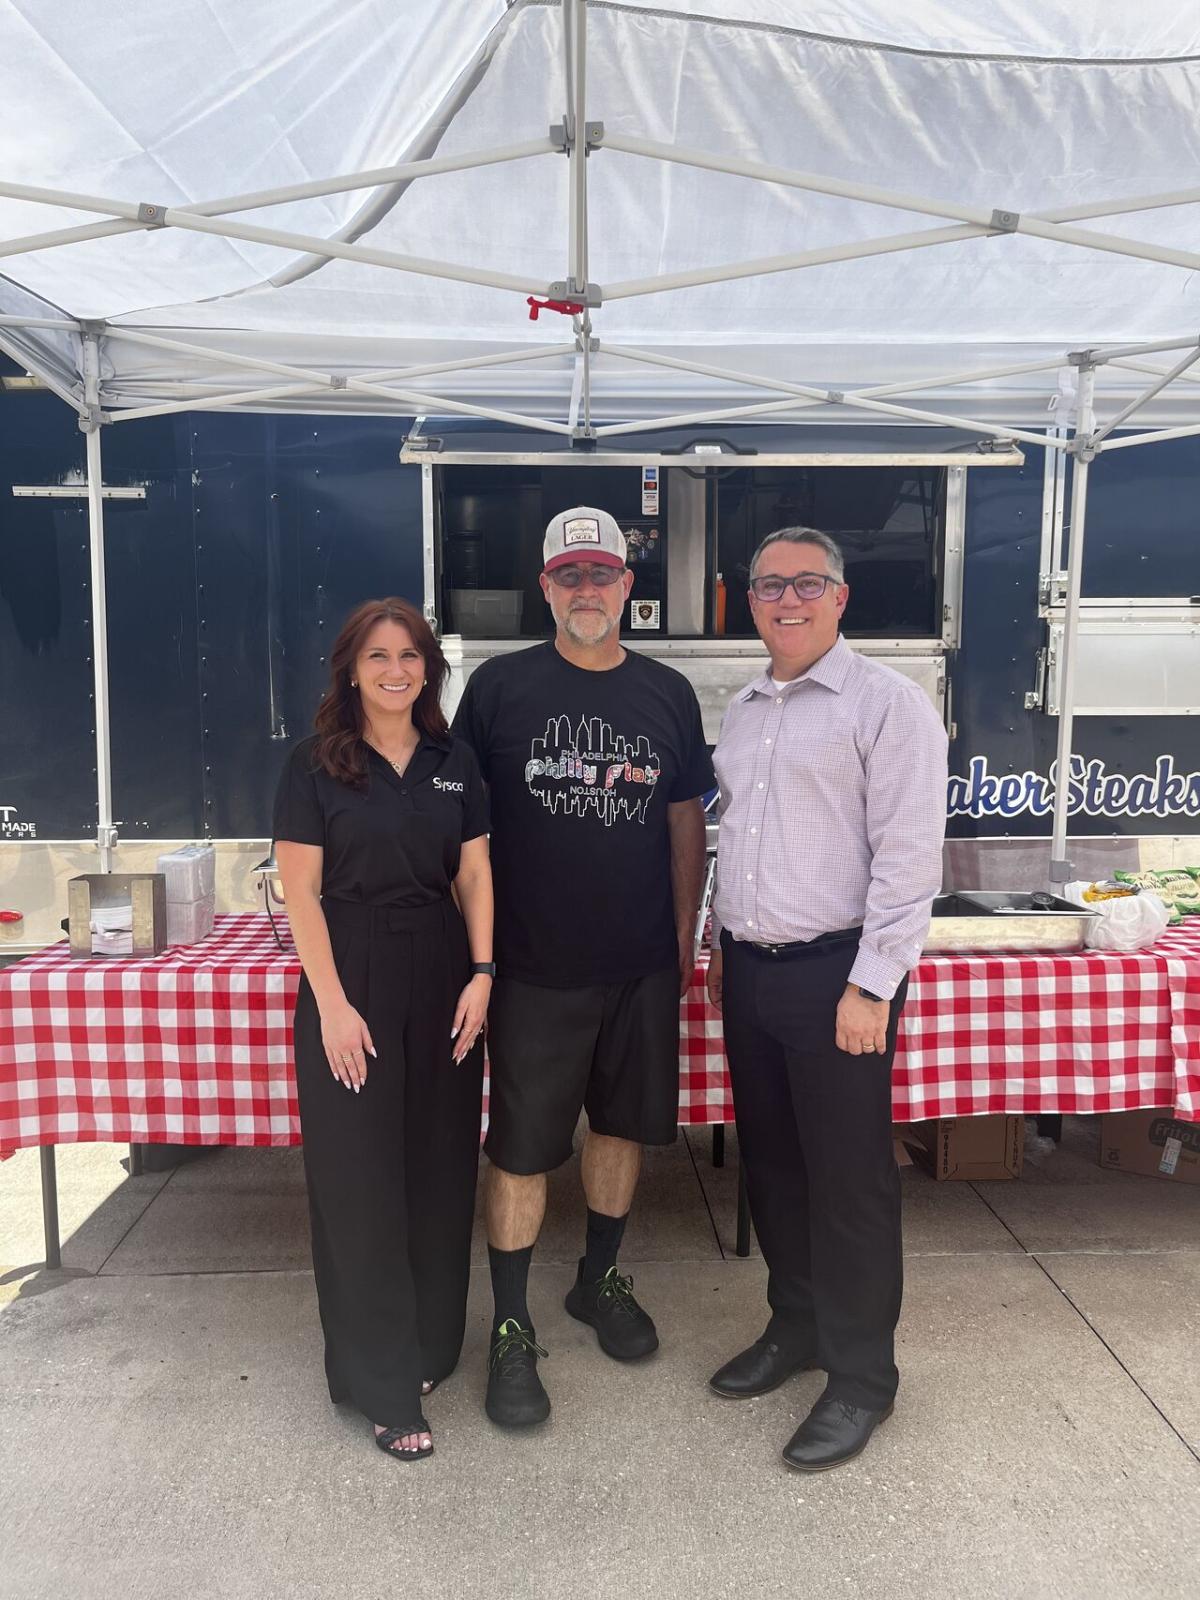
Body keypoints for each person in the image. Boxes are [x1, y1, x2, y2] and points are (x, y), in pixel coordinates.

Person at [452, 506, 713, 1429]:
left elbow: (687, 819)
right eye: (571, 577)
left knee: (625, 1128)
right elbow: (463, 831)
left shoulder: (668, 693)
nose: (588, 590)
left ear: (628, 588)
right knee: (521, 1149)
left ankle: (598, 1278)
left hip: (640, 962)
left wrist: (683, 932)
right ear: (546, 589)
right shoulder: (496, 689)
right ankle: (512, 1324)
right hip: (532, 968)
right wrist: (476, 955)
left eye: (604, 574)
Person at [706, 527, 947, 1473]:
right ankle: (795, 1325)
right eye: (770, 585)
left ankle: (861, 1379)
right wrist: (718, 943)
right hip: (750, 971)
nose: (788, 600)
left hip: (836, 976)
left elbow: (907, 856)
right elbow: (739, 840)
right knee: (773, 1169)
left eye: (808, 584)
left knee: (849, 1183)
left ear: (841, 597)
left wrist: (871, 984)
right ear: (751, 601)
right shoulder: (747, 707)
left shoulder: (888, 705)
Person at [273, 597, 494, 1462]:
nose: (396, 670)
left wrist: (482, 973)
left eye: (410, 655)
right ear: (350, 669)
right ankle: (380, 1383)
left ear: (429, 668)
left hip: (443, 970)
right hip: (352, 969)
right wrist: (331, 1002)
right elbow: (300, 892)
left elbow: (474, 873)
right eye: (378, 656)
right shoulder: (315, 765)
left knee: (439, 1169)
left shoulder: (454, 760)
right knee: (360, 1181)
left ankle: (431, 1346)